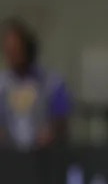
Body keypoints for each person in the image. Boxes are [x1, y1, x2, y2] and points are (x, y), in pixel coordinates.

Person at [0, 18, 71, 150]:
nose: (12, 56)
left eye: (16, 50)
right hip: (9, 158)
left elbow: (62, 121)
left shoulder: (52, 83)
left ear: (28, 48)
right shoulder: (2, 85)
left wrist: (53, 132)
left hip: (44, 157)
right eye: (8, 51)